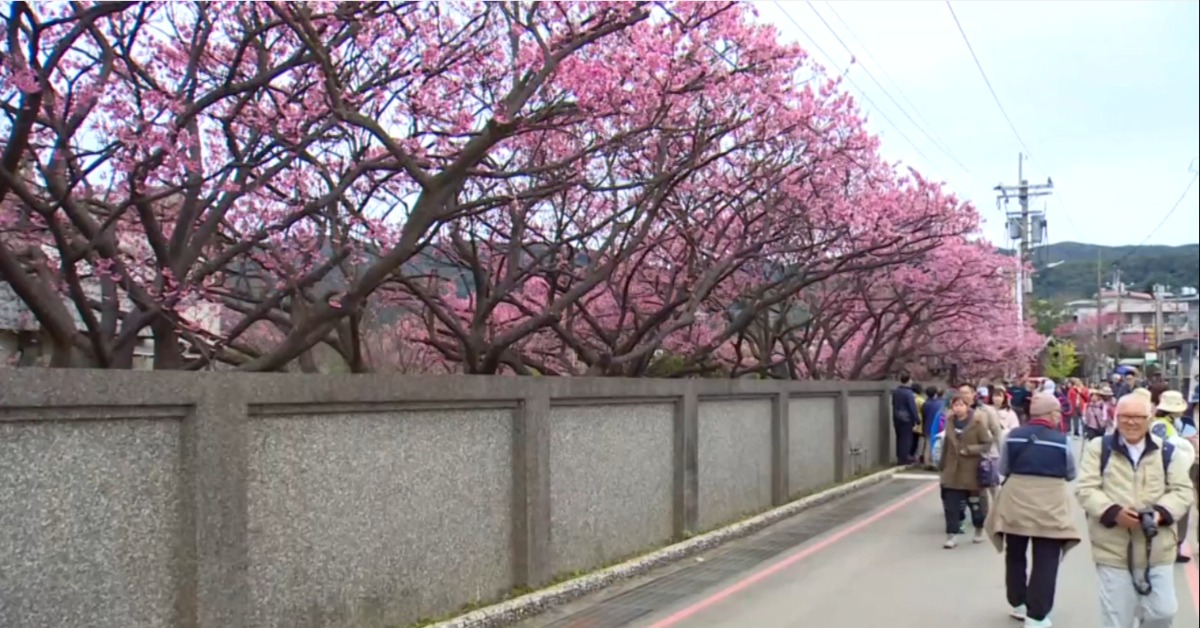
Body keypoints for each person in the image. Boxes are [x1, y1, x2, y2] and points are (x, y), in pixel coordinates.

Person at [1076, 393, 1195, 628]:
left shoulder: (1167, 451)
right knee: (1117, 618)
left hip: (1157, 548)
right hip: (1113, 550)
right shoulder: (1099, 449)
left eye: (1138, 417)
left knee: (1163, 612)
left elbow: (1183, 491)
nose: (1131, 422)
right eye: (1125, 417)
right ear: (1116, 418)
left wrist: (1160, 513)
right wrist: (1112, 512)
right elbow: (1086, 489)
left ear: (1149, 419)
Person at [985, 392, 1081, 627]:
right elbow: (1071, 473)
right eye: (1056, 412)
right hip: (1051, 503)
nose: (1059, 416)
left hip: (1016, 500)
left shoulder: (1013, 436)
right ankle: (1037, 615)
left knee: (1015, 553)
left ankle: (1018, 602)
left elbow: (1004, 467)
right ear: (1049, 414)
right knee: (1046, 557)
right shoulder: (1061, 440)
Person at [939, 390, 996, 548]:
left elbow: (987, 443)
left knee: (975, 505)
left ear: (967, 405)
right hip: (952, 472)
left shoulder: (977, 423)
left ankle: (979, 528)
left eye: (961, 405)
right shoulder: (949, 422)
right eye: (955, 405)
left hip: (972, 471)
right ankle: (952, 535)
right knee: (951, 506)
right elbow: (946, 446)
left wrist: (970, 450)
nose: (957, 408)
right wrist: (942, 466)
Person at [1152, 390, 1196, 563]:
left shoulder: (1164, 424)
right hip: (1170, 473)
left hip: (1166, 472)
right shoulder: (1164, 426)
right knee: (1178, 507)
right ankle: (1172, 547)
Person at [891, 374, 920, 465]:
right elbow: (912, 407)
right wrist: (917, 419)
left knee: (899, 437)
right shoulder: (909, 393)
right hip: (906, 418)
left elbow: (893, 403)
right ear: (909, 381)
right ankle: (905, 457)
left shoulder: (896, 392)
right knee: (906, 438)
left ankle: (899, 457)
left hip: (896, 417)